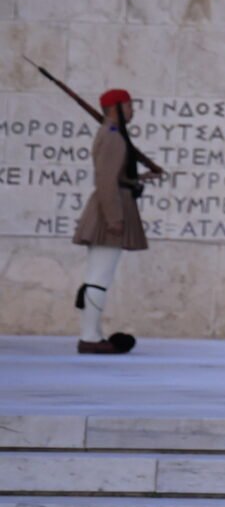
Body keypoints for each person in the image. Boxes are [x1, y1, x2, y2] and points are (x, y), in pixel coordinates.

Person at [71, 88, 154, 355]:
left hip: (112, 205)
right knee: (99, 277)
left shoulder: (113, 134)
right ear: (116, 107)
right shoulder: (113, 136)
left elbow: (115, 176)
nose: (132, 111)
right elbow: (106, 181)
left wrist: (138, 178)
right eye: (128, 106)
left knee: (97, 276)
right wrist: (115, 219)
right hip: (111, 210)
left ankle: (92, 334)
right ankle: (90, 337)